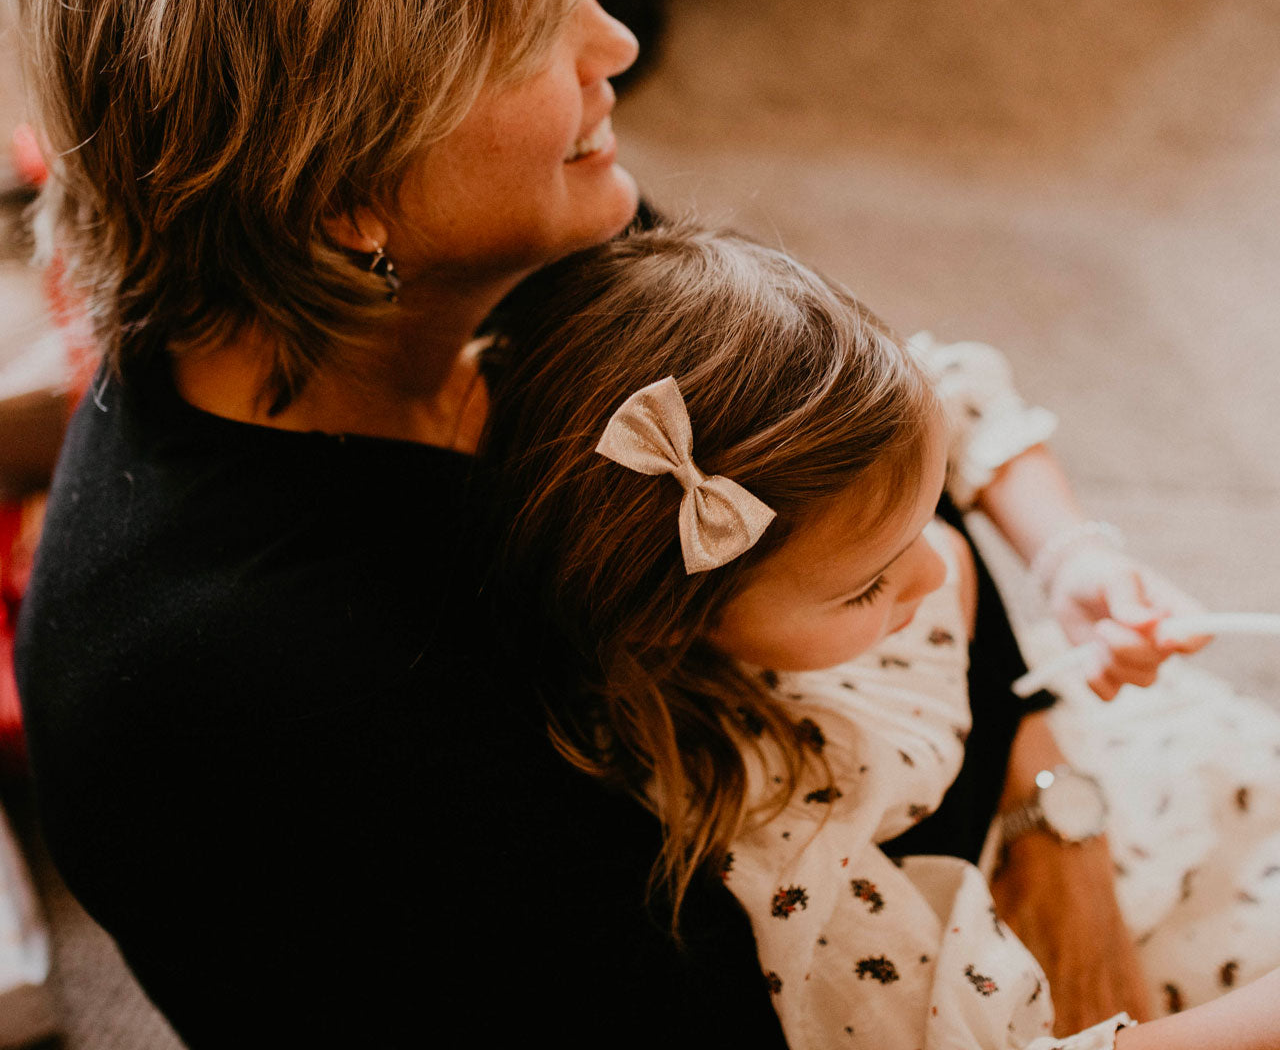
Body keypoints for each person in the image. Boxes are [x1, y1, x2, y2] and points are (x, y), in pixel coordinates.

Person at [4, 0, 1235, 1043]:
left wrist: (1048, 797)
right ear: (341, 190)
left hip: (972, 809)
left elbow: (852, 469)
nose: (619, 46)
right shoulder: (283, 694)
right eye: (537, 28)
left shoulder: (511, 250)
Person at [476, 222, 1280, 1049]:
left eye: (925, 517)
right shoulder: (782, 823)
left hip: (1086, 778)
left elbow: (962, 394)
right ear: (671, 628)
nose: (936, 573)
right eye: (869, 584)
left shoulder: (823, 466)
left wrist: (1070, 558)